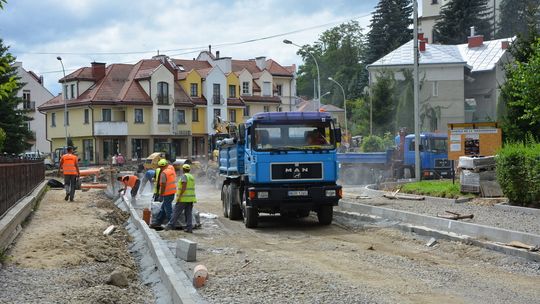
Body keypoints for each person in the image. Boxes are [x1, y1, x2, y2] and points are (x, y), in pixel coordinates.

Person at [165, 164, 197, 232]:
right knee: (188, 213)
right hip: (190, 199)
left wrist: (179, 196)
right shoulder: (191, 176)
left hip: (183, 198)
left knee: (176, 212)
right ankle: (189, 228)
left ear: (183, 169)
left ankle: (170, 226)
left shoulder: (184, 176)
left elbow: (184, 187)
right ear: (189, 170)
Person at [149, 159, 177, 229]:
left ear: (161, 166)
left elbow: (163, 185)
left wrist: (161, 195)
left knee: (168, 210)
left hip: (167, 193)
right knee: (163, 208)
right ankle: (158, 221)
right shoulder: (171, 171)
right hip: (172, 192)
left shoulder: (164, 173)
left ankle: (171, 224)